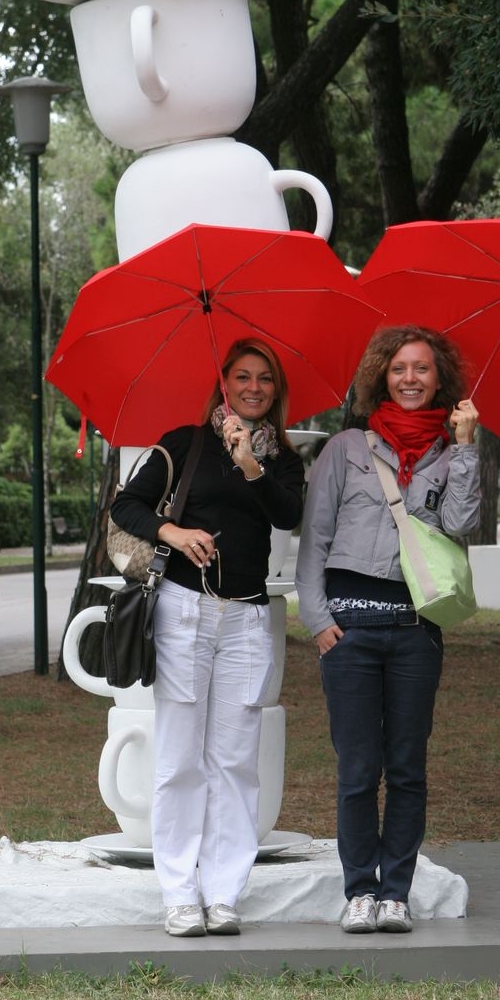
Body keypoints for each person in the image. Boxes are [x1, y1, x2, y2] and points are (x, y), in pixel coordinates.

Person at [110, 337, 305, 938]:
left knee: (235, 762)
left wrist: (251, 465)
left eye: (264, 379)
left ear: (276, 391)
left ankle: (223, 894)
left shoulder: (282, 459)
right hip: (184, 613)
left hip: (246, 618)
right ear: (224, 383)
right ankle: (179, 894)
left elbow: (288, 515)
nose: (253, 387)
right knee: (179, 760)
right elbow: (127, 506)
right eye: (242, 376)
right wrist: (173, 532)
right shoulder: (185, 443)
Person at [295, 324, 480, 934]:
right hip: (348, 634)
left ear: (439, 379)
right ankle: (359, 891)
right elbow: (315, 539)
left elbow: (461, 524)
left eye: (421, 368)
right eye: (399, 368)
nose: (409, 378)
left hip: (415, 632)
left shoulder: (451, 454)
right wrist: (318, 621)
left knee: (406, 768)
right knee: (357, 770)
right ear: (381, 375)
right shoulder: (346, 448)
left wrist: (467, 447)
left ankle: (394, 892)